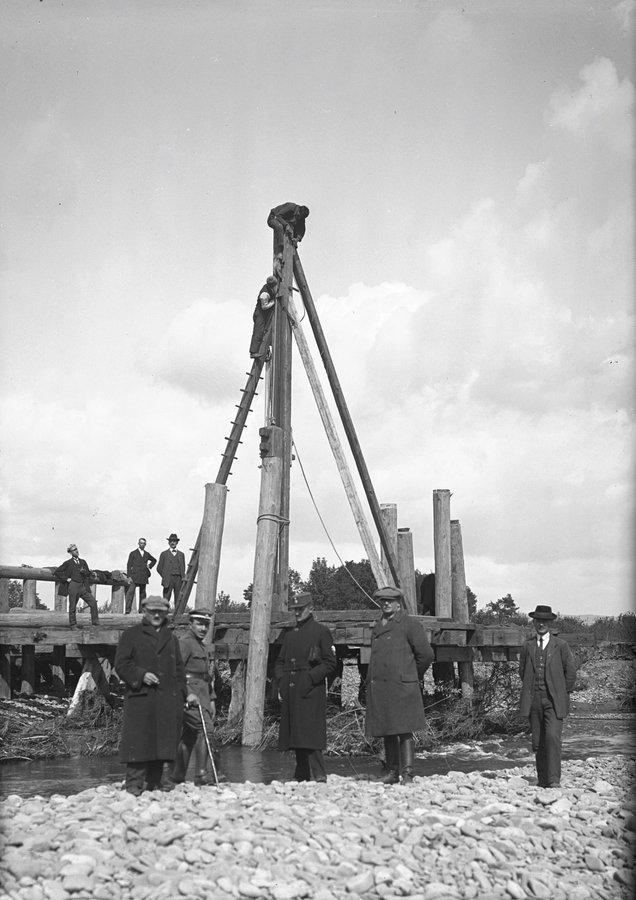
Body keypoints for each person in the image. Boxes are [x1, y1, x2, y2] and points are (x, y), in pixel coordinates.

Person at [114, 595, 186, 796]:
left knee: (164, 742)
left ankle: (161, 783)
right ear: (144, 612)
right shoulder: (131, 635)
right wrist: (141, 675)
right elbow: (121, 664)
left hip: (167, 700)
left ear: (166, 613)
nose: (156, 615)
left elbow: (179, 670)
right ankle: (134, 785)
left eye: (160, 612)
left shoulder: (171, 638)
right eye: (152, 611)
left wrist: (183, 695)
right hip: (141, 698)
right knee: (139, 743)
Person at [365, 586, 434, 785]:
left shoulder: (410, 624)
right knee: (388, 728)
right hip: (382, 688)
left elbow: (426, 655)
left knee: (405, 730)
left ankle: (408, 774)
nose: (385, 604)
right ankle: (392, 772)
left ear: (399, 603)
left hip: (403, 687)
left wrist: (411, 675)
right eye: (383, 601)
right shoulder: (378, 625)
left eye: (390, 601)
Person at [275, 592, 337, 782]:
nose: (297, 613)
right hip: (291, 687)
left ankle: (319, 774)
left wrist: (310, 678)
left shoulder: (321, 631)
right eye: (295, 610)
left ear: (311, 608)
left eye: (301, 609)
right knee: (296, 731)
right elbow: (279, 661)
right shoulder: (289, 635)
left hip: (311, 688)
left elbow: (330, 662)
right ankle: (301, 774)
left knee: (311, 731)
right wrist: (281, 682)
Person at [519, 604, 576, 789]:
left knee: (552, 737)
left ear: (550, 623)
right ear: (534, 622)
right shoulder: (527, 646)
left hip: (554, 701)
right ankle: (542, 779)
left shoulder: (561, 645)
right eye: (538, 620)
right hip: (534, 699)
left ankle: (554, 780)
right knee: (537, 741)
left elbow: (571, 672)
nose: (541, 624)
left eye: (545, 621)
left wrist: (562, 692)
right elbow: (523, 672)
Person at [169, 607, 222, 786]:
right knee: (205, 729)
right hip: (189, 697)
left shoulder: (201, 646)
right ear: (190, 624)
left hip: (203, 696)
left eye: (206, 625)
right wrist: (187, 694)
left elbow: (205, 676)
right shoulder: (185, 643)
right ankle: (201, 775)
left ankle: (177, 775)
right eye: (199, 624)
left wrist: (212, 699)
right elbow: (176, 672)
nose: (203, 628)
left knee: (190, 735)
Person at [54, 543, 99, 628]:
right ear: (70, 552)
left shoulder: (83, 562)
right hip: (73, 585)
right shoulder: (68, 563)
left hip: (82, 586)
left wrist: (87, 572)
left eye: (77, 549)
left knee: (93, 602)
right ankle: (73, 624)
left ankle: (95, 623)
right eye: (74, 550)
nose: (77, 551)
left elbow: (88, 573)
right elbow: (57, 572)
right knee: (73, 606)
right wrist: (66, 579)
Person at [125, 538, 157, 614]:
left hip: (143, 576)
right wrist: (129, 576)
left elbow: (154, 560)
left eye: (144, 543)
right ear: (138, 544)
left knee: (143, 594)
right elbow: (129, 565)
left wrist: (149, 565)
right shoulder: (133, 553)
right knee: (130, 592)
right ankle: (127, 609)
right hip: (134, 576)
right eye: (141, 543)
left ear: (145, 545)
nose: (142, 544)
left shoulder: (146, 554)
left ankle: (142, 610)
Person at [249, 275, 278, 359]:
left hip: (264, 314)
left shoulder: (269, 287)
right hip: (260, 314)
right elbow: (264, 307)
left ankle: (266, 349)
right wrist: (273, 302)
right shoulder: (264, 294)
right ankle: (253, 352)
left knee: (265, 330)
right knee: (259, 331)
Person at [157, 533, 186, 606]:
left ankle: (177, 616)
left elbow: (183, 568)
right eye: (171, 541)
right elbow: (159, 568)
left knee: (179, 599)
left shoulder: (181, 554)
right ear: (168, 542)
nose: (172, 542)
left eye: (174, 541)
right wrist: (165, 576)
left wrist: (182, 577)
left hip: (179, 579)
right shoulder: (164, 554)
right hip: (168, 579)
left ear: (177, 542)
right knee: (166, 599)